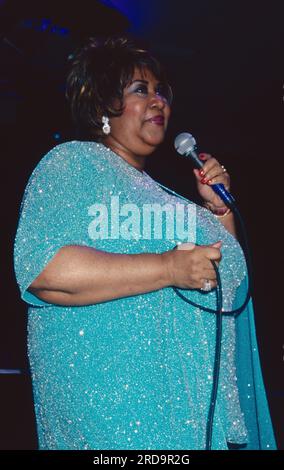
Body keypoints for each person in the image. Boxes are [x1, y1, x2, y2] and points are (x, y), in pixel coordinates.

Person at [13, 36, 276, 450]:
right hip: (111, 422)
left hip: (192, 422)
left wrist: (220, 213)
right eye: (141, 90)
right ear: (102, 107)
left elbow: (230, 280)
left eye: (161, 92)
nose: (159, 102)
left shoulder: (175, 203)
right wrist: (168, 268)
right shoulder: (72, 164)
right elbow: (46, 271)